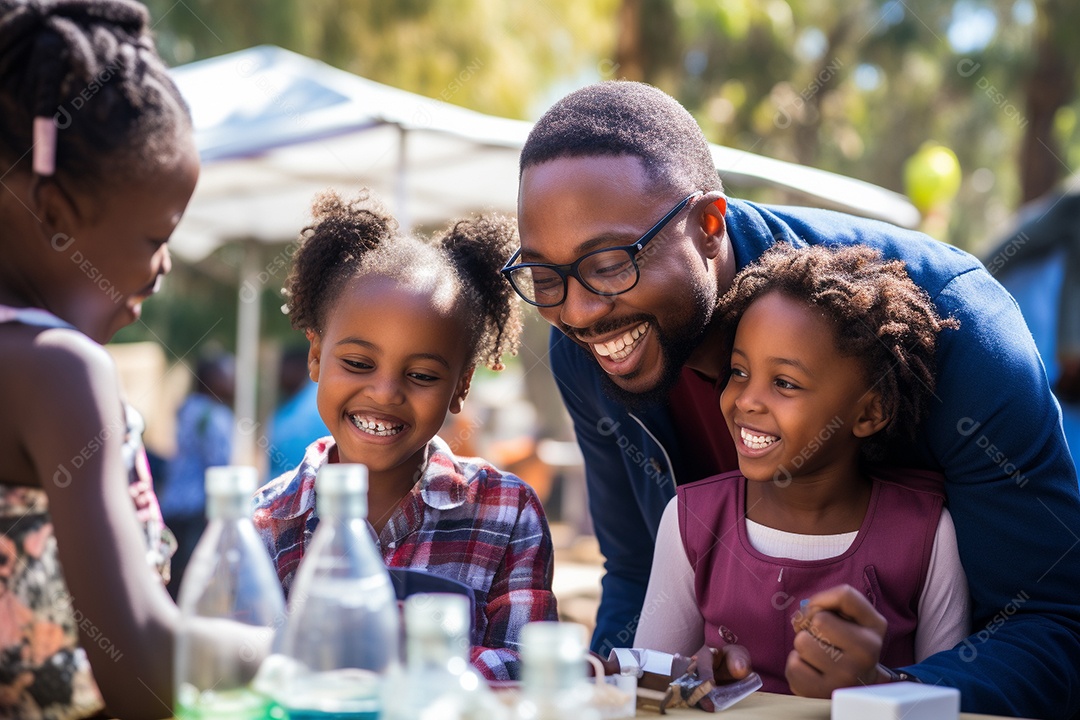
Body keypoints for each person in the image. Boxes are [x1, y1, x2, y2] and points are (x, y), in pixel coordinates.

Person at [508, 80, 1080, 717]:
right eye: (543, 275)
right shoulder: (587, 354)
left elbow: (1053, 624)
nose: (580, 312)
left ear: (708, 225)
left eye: (610, 263)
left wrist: (888, 693)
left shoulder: (955, 325)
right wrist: (618, 689)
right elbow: (639, 575)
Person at [0, 2, 263, 718]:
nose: (163, 266)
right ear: (54, 212)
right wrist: (310, 651)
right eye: (156, 235)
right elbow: (142, 669)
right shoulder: (59, 372)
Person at [633, 243, 969, 695]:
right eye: (737, 371)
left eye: (785, 383)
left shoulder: (925, 533)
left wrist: (875, 682)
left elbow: (946, 701)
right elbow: (646, 689)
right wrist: (694, 675)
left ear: (869, 413)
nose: (746, 400)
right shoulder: (691, 519)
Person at [252, 190, 558, 682]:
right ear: (315, 357)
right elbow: (242, 669)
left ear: (461, 387)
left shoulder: (507, 513)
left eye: (421, 375)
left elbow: (527, 671)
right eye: (357, 364)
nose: (386, 392)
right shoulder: (266, 525)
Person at [159, 350, 236, 598]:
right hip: (198, 508)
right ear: (210, 377)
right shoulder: (214, 415)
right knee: (193, 575)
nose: (233, 378)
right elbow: (218, 468)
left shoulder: (186, 408)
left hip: (172, 504)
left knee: (171, 571)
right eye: (227, 372)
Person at [266, 346, 328, 478]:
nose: (279, 374)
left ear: (299, 367)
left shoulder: (315, 405)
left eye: (283, 367)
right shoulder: (292, 404)